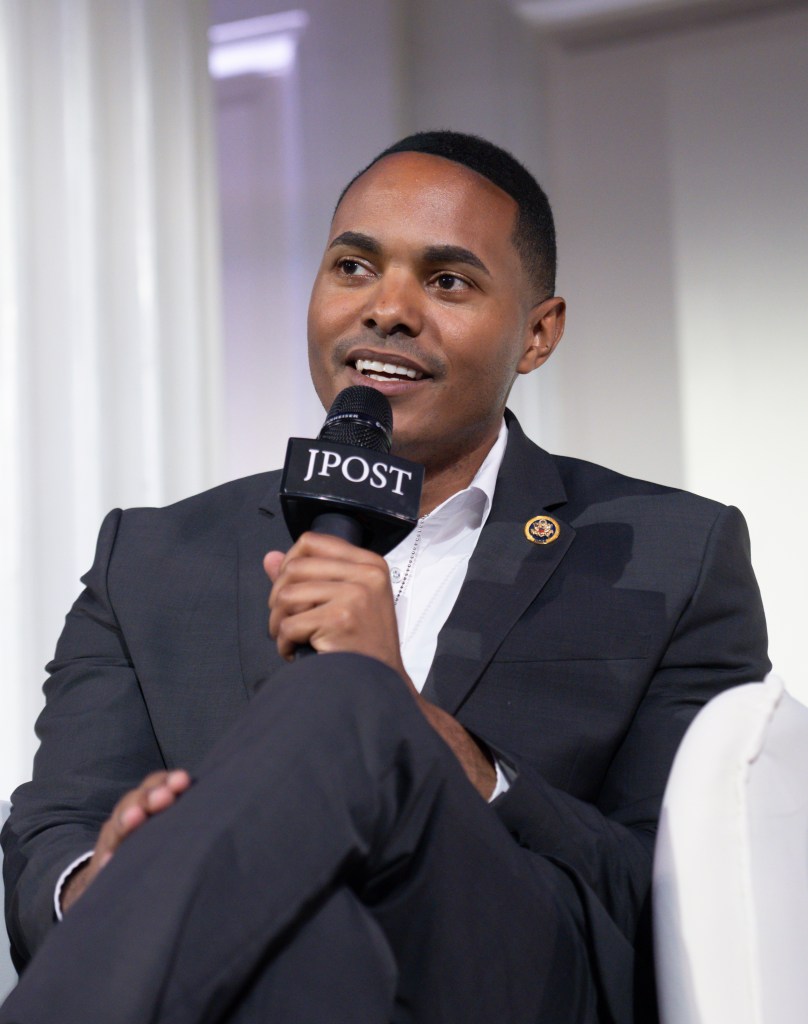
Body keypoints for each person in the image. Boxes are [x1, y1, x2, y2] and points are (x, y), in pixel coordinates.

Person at [0, 131, 769, 1023]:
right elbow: (50, 836)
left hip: (516, 980)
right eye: (354, 267)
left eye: (448, 282)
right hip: (269, 983)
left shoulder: (676, 552)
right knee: (309, 943)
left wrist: (426, 737)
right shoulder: (153, 558)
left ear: (538, 333)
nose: (388, 310)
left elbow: (691, 894)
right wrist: (111, 876)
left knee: (349, 700)